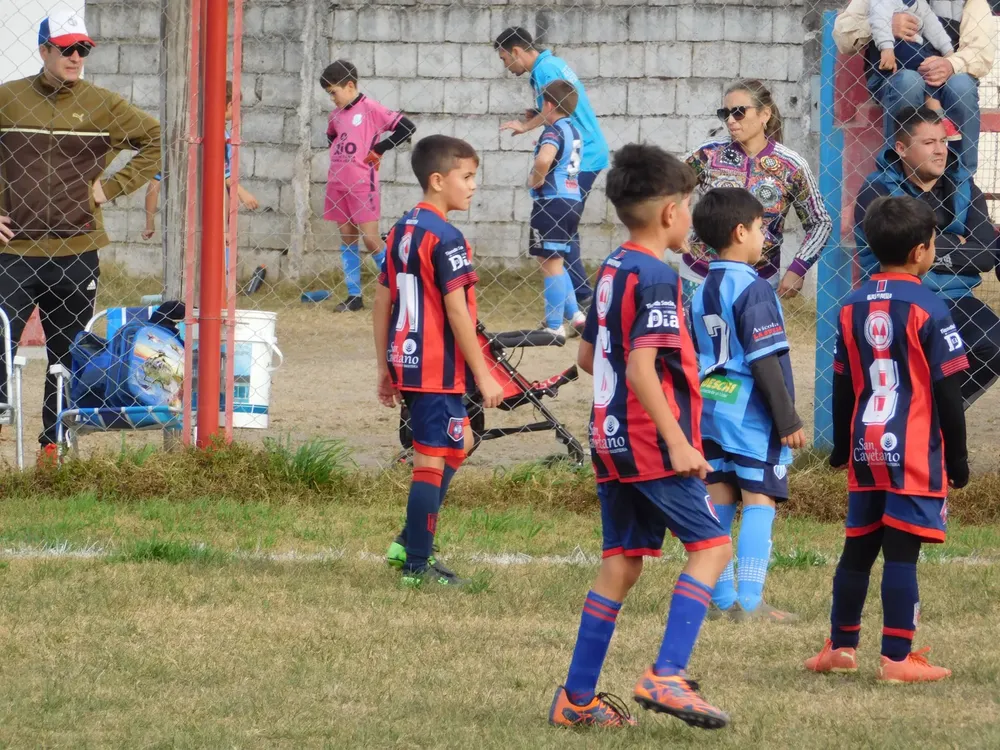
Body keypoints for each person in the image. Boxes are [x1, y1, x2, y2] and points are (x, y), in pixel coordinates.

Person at [549, 144, 732, 731]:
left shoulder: (613, 267)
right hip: (651, 440)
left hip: (610, 435)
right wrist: (679, 440)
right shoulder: (657, 276)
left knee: (623, 564)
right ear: (672, 213)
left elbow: (586, 357)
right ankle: (667, 675)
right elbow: (639, 368)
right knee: (712, 548)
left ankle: (575, 701)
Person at [805, 195, 969, 682]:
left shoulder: (851, 304)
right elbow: (948, 391)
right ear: (921, 251)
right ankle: (897, 658)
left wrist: (838, 445)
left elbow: (840, 382)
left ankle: (840, 646)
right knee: (902, 553)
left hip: (865, 447)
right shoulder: (929, 307)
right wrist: (958, 459)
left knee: (857, 548)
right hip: (913, 450)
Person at [0, 9, 161, 464]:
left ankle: (53, 445)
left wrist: (110, 187)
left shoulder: (103, 104)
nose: (76, 57)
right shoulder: (8, 99)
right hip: (12, 252)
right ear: (44, 49)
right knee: (0, 344)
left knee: (66, 355)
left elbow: (154, 138)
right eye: (66, 48)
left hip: (77, 251)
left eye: (83, 49)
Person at [373, 135, 503, 586]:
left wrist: (385, 366)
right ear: (437, 180)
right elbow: (457, 312)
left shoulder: (402, 229)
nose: (472, 187)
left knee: (461, 442)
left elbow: (382, 300)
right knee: (430, 462)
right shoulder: (447, 237)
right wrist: (484, 377)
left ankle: (408, 540)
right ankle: (416, 565)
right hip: (435, 369)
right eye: (465, 177)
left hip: (408, 362)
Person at [689, 188, 807, 623]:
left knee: (719, 496)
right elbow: (763, 359)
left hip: (712, 408)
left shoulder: (700, 291)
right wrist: (787, 417)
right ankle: (752, 603)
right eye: (761, 228)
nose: (765, 236)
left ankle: (719, 602)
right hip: (751, 415)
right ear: (740, 232)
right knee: (760, 500)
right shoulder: (754, 289)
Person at [854, 105, 1000, 407]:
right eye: (929, 142)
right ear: (902, 148)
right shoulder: (877, 190)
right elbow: (894, 250)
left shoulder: (964, 187)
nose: (940, 151)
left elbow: (986, 256)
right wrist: (957, 243)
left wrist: (931, 243)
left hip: (957, 299)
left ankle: (932, 413)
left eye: (943, 141)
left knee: (994, 344)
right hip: (898, 297)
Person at [682, 80, 832, 302]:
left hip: (758, 281)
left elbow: (820, 222)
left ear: (765, 115)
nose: (731, 120)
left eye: (739, 112)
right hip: (700, 276)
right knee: (696, 337)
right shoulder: (707, 155)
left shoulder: (791, 165)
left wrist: (798, 268)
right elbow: (667, 187)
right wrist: (676, 231)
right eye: (725, 113)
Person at [495, 26, 610, 310]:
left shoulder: (546, 71)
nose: (506, 66)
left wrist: (526, 125)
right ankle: (579, 301)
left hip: (582, 155)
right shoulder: (551, 65)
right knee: (565, 229)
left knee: (560, 228)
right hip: (586, 150)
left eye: (504, 58)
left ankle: (583, 301)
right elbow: (561, 106)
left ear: (517, 51)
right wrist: (536, 115)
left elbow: (557, 108)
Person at [835, 0, 995, 175]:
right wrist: (884, 23)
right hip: (895, 76)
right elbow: (843, 37)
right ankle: (898, 181)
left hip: (948, 77)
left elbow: (982, 52)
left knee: (962, 86)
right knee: (909, 82)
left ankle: (962, 183)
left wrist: (950, 64)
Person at [322, 60, 416, 313]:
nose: (332, 98)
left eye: (334, 92)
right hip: (337, 184)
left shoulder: (370, 108)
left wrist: (378, 148)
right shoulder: (336, 115)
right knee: (347, 238)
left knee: (372, 240)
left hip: (363, 185)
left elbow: (407, 128)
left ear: (350, 85)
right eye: (329, 94)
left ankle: (400, 291)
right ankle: (354, 295)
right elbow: (332, 135)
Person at [143, 81, 258, 240]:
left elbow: (154, 185)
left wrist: (149, 223)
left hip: (183, 224)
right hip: (213, 225)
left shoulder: (185, 139)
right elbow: (222, 176)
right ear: (230, 104)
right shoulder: (220, 138)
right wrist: (242, 193)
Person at [528, 80, 585, 338]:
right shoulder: (574, 130)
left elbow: (544, 158)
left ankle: (554, 327)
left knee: (549, 264)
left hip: (551, 202)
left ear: (549, 104)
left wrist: (536, 179)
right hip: (572, 200)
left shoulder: (552, 131)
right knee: (557, 261)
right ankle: (575, 315)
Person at [869, 0, 958, 135]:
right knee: (916, 58)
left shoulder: (919, 3)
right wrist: (886, 47)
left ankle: (932, 102)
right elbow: (878, 20)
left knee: (930, 61)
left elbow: (934, 27)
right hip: (891, 52)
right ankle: (935, 107)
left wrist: (948, 51)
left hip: (914, 49)